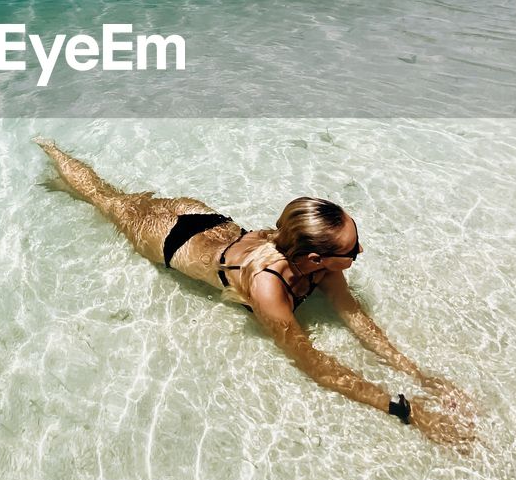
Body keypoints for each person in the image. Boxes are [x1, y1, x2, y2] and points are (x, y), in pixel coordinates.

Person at [34, 138, 475, 448]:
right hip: (169, 239)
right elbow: (314, 364)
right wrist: (406, 411)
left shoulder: (317, 262)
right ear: (317, 259)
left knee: (118, 196)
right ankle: (50, 150)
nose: (360, 251)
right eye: (350, 250)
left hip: (203, 217)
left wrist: (419, 374)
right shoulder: (269, 290)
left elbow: (355, 317)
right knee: (106, 200)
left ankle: (58, 166)